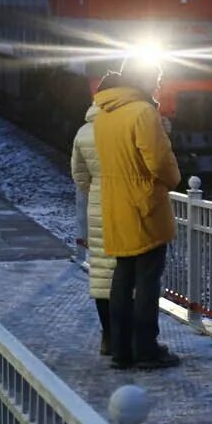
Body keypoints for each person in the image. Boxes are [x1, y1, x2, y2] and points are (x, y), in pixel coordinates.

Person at [93, 56, 183, 369]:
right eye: (156, 79)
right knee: (147, 281)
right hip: (144, 206)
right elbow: (158, 162)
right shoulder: (143, 112)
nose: (158, 85)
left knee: (122, 277)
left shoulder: (104, 113)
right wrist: (174, 177)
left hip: (117, 205)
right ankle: (146, 348)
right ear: (143, 79)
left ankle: (121, 349)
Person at [71, 91, 117, 357]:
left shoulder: (84, 131)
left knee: (101, 274)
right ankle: (127, 336)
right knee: (125, 273)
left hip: (97, 208)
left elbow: (80, 177)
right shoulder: (125, 126)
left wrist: (96, 190)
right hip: (124, 207)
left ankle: (107, 337)